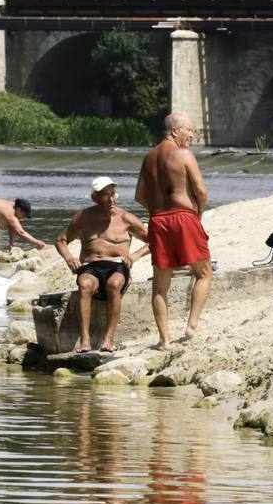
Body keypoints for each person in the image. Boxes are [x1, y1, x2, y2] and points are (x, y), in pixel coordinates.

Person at [135, 112, 212, 347]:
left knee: (160, 285)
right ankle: (191, 326)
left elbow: (139, 196)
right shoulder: (183, 154)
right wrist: (196, 216)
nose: (191, 135)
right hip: (183, 217)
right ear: (174, 131)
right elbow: (201, 191)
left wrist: (159, 210)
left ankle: (164, 339)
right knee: (204, 273)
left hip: (158, 220)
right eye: (189, 130)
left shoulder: (149, 158)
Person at [55, 177, 151, 353]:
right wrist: (69, 258)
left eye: (113, 193)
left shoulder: (126, 218)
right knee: (84, 285)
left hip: (117, 266)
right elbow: (61, 240)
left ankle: (109, 339)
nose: (111, 198)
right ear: (95, 198)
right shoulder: (83, 217)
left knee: (113, 285)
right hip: (91, 266)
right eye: (106, 195)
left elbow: (155, 240)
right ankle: (85, 339)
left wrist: (135, 255)